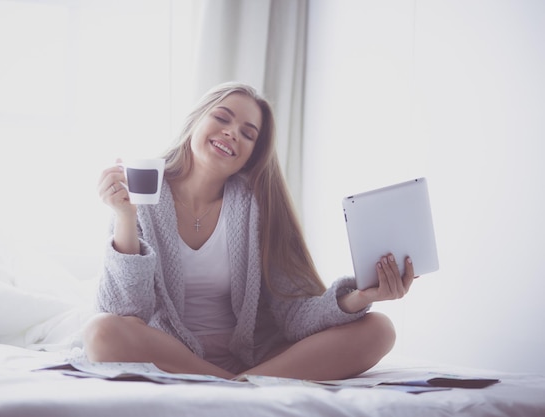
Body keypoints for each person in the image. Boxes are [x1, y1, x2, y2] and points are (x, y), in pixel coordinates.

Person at [83, 82, 416, 380]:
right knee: (101, 332)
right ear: (196, 121)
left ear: (251, 155)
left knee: (379, 329)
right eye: (222, 118)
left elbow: (295, 315)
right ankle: (236, 386)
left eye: (248, 133)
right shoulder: (143, 192)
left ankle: (241, 383)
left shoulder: (260, 207)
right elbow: (128, 311)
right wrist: (125, 217)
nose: (231, 133)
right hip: (171, 354)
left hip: (254, 359)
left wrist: (361, 296)